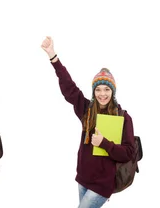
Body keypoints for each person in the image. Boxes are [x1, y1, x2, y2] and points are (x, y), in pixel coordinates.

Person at [40, 36, 136, 208]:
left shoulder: (123, 117)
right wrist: (53, 57)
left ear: (113, 91)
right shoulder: (87, 110)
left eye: (107, 89)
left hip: (102, 185)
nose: (102, 94)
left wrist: (105, 143)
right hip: (83, 179)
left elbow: (129, 153)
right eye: (98, 89)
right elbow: (69, 88)